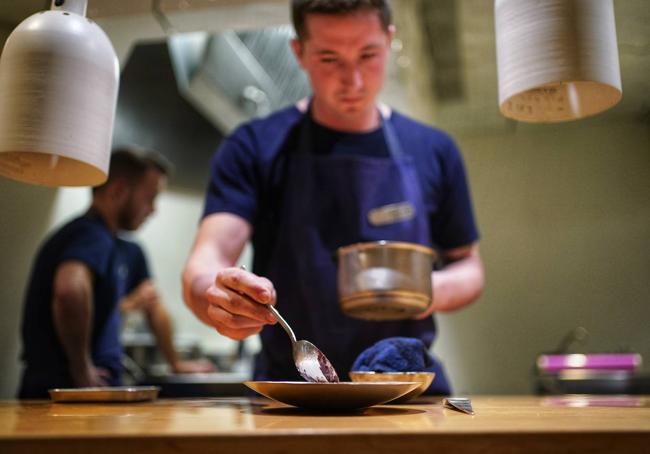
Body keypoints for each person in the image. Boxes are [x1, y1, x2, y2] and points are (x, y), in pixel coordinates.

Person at [182, 0, 484, 394]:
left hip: (406, 390)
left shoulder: (434, 149)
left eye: (368, 55)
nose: (353, 80)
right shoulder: (253, 146)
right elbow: (205, 263)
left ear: (389, 41)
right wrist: (217, 297)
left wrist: (422, 289)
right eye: (329, 59)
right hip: (291, 395)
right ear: (299, 53)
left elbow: (470, 267)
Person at [18, 148, 213, 399]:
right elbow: (70, 290)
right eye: (150, 198)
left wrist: (175, 363)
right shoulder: (91, 235)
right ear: (119, 190)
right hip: (67, 395)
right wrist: (81, 368)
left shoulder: (112, 244)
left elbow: (154, 305)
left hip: (78, 393)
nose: (153, 210)